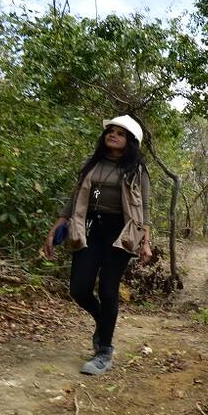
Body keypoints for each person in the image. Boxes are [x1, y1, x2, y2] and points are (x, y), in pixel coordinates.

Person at [43, 115, 153, 375]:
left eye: (120, 133)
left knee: (107, 288)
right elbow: (75, 199)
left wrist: (146, 242)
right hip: (89, 227)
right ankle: (103, 321)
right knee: (79, 287)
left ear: (131, 141)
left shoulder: (136, 169)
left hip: (121, 231)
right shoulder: (92, 165)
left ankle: (104, 351)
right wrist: (57, 226)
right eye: (110, 131)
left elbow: (145, 207)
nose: (112, 135)